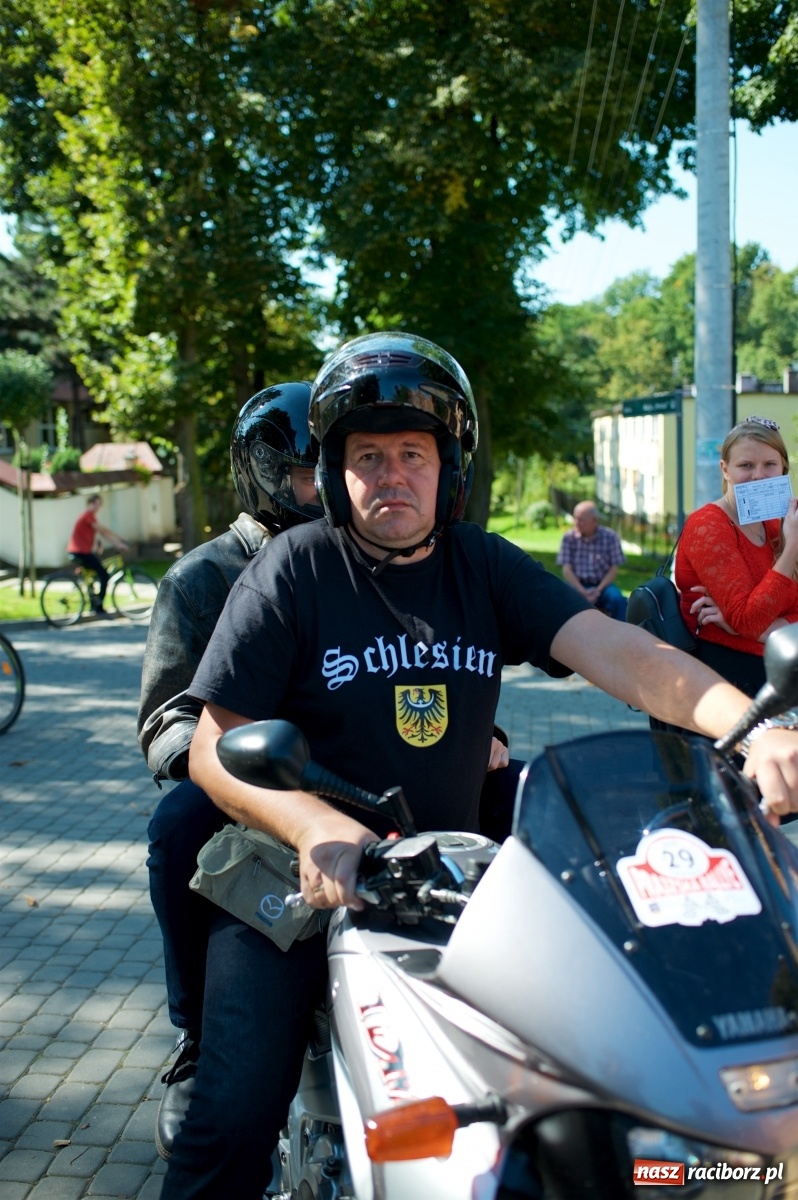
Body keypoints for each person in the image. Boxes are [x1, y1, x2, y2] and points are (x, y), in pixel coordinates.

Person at [166, 333, 798, 1200]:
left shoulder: (481, 563)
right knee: (229, 1120)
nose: (392, 474)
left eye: (413, 454)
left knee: (578, 1072)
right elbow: (213, 741)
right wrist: (314, 824)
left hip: (455, 872)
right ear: (337, 471)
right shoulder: (295, 567)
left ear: (449, 467)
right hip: (295, 872)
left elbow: (621, 651)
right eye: (368, 455)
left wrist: (752, 725)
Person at [138, 382, 323, 1160]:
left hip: (347, 776)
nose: (317, 486)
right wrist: (213, 762)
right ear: (262, 469)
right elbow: (165, 715)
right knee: (175, 827)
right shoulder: (200, 577)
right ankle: (197, 1033)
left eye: (326, 468)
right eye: (304, 471)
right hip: (242, 784)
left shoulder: (348, 563)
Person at [676, 415, 798, 697]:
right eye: (746, 465)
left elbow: (751, 623)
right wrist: (792, 547)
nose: (758, 475)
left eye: (770, 464)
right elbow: (750, 620)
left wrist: (768, 629)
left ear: (783, 469)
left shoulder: (775, 522)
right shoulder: (708, 525)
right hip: (726, 679)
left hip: (777, 669)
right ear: (725, 470)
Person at [556, 500, 628, 620]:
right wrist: (583, 591)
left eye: (581, 520)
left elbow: (614, 569)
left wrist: (598, 590)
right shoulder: (569, 538)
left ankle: (624, 634)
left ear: (594, 521)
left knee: (618, 600)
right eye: (575, 518)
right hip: (577, 585)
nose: (576, 523)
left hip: (602, 586)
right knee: (559, 599)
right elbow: (566, 570)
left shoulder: (610, 537)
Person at [67, 492, 129, 615]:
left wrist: (115, 541)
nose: (98, 507)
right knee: (104, 575)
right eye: (96, 504)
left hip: (80, 552)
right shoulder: (88, 516)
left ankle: (93, 604)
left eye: (99, 505)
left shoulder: (88, 517)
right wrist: (118, 542)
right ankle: (99, 605)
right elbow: (103, 530)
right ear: (90, 504)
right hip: (81, 553)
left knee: (92, 575)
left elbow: (99, 533)